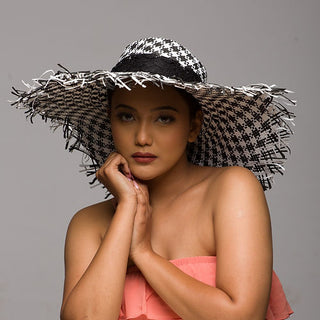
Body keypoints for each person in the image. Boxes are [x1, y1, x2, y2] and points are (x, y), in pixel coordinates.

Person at [12, 37, 294, 320]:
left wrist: (143, 253)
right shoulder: (89, 224)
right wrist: (126, 210)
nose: (142, 138)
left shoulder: (231, 189)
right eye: (126, 117)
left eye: (164, 119)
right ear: (110, 121)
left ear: (193, 126)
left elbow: (242, 316)